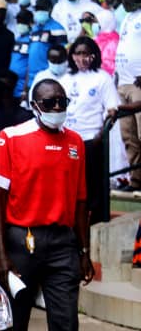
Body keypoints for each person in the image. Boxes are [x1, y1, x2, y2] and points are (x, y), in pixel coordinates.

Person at [0, 78, 94, 331]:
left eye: (61, 101)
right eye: (49, 103)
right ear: (34, 105)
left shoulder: (75, 142)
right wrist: (0, 252)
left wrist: (84, 250)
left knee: (66, 324)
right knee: (15, 325)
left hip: (62, 242)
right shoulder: (11, 137)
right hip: (22, 240)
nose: (57, 108)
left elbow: (80, 202)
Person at [61, 36, 121, 222]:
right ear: (72, 56)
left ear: (94, 56)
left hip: (90, 139)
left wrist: (99, 135)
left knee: (92, 184)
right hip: (66, 138)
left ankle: (94, 220)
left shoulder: (102, 78)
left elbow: (111, 109)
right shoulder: (66, 78)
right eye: (78, 54)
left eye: (87, 54)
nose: (82, 58)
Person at [115, 0, 141, 192]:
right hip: (123, 83)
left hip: (138, 85)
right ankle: (136, 182)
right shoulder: (127, 17)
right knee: (129, 137)